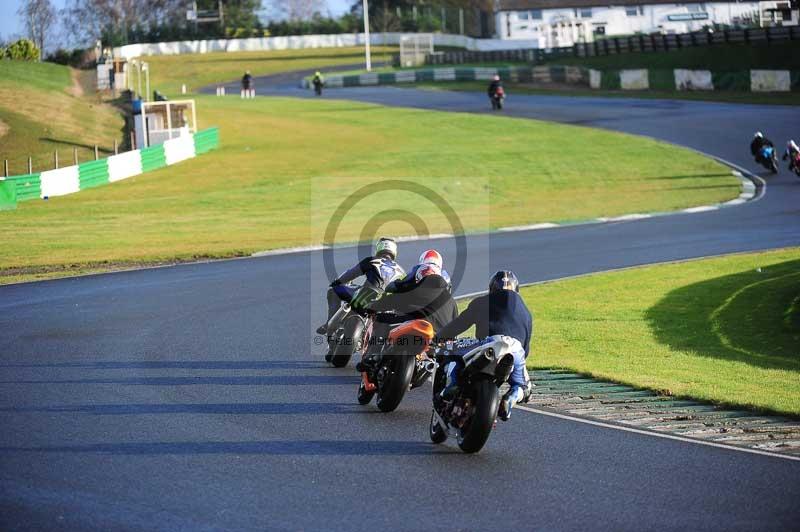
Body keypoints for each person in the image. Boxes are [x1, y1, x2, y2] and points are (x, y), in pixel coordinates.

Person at [436, 270, 533, 421]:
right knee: (524, 387)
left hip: (489, 342)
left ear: (492, 288)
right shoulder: (526, 313)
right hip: (515, 349)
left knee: (451, 350)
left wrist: (439, 338)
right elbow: (525, 350)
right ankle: (511, 398)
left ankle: (453, 383)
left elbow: (459, 325)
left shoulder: (483, 301)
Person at [358, 264, 458, 372]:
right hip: (438, 337)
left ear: (419, 278)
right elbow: (455, 325)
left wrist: (370, 307)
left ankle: (373, 357)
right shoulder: (451, 300)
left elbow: (389, 301)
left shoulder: (416, 288)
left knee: (380, 319)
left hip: (416, 323)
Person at [316, 237, 405, 335]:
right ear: (394, 251)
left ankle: (329, 324)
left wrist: (336, 282)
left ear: (379, 248)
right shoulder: (401, 271)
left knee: (334, 290)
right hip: (387, 304)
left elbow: (351, 274)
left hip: (367, 293)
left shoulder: (372, 260)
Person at [388, 249, 452, 294]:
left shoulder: (417, 269)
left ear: (422, 260)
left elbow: (399, 285)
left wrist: (392, 285)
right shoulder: (446, 276)